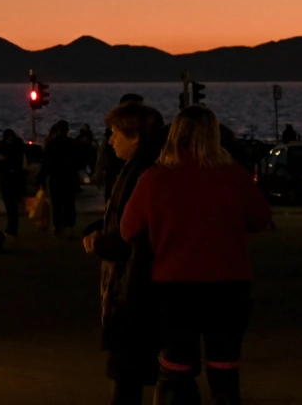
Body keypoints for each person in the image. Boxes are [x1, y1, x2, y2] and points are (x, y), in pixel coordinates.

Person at [120, 105, 272, 405]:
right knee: (224, 370)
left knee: (176, 369)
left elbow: (128, 229)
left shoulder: (155, 177)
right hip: (229, 286)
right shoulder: (235, 176)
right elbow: (260, 219)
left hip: (174, 286)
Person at [83, 100, 166, 405]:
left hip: (135, 285)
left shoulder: (142, 173)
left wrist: (103, 243)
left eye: (115, 133)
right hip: (136, 282)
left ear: (134, 136)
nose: (110, 140)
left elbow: (135, 231)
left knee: (127, 371)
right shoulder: (140, 168)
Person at [41, 120, 83, 237]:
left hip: (55, 177)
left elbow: (46, 163)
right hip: (69, 177)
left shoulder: (51, 144)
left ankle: (57, 226)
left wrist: (43, 178)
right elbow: (79, 161)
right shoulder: (73, 144)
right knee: (70, 203)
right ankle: (70, 227)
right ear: (67, 130)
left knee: (56, 203)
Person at [0, 129, 27, 240]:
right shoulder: (9, 146)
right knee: (10, 206)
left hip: (12, 180)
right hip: (9, 180)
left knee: (12, 206)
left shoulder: (14, 147)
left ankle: (12, 229)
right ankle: (11, 228)